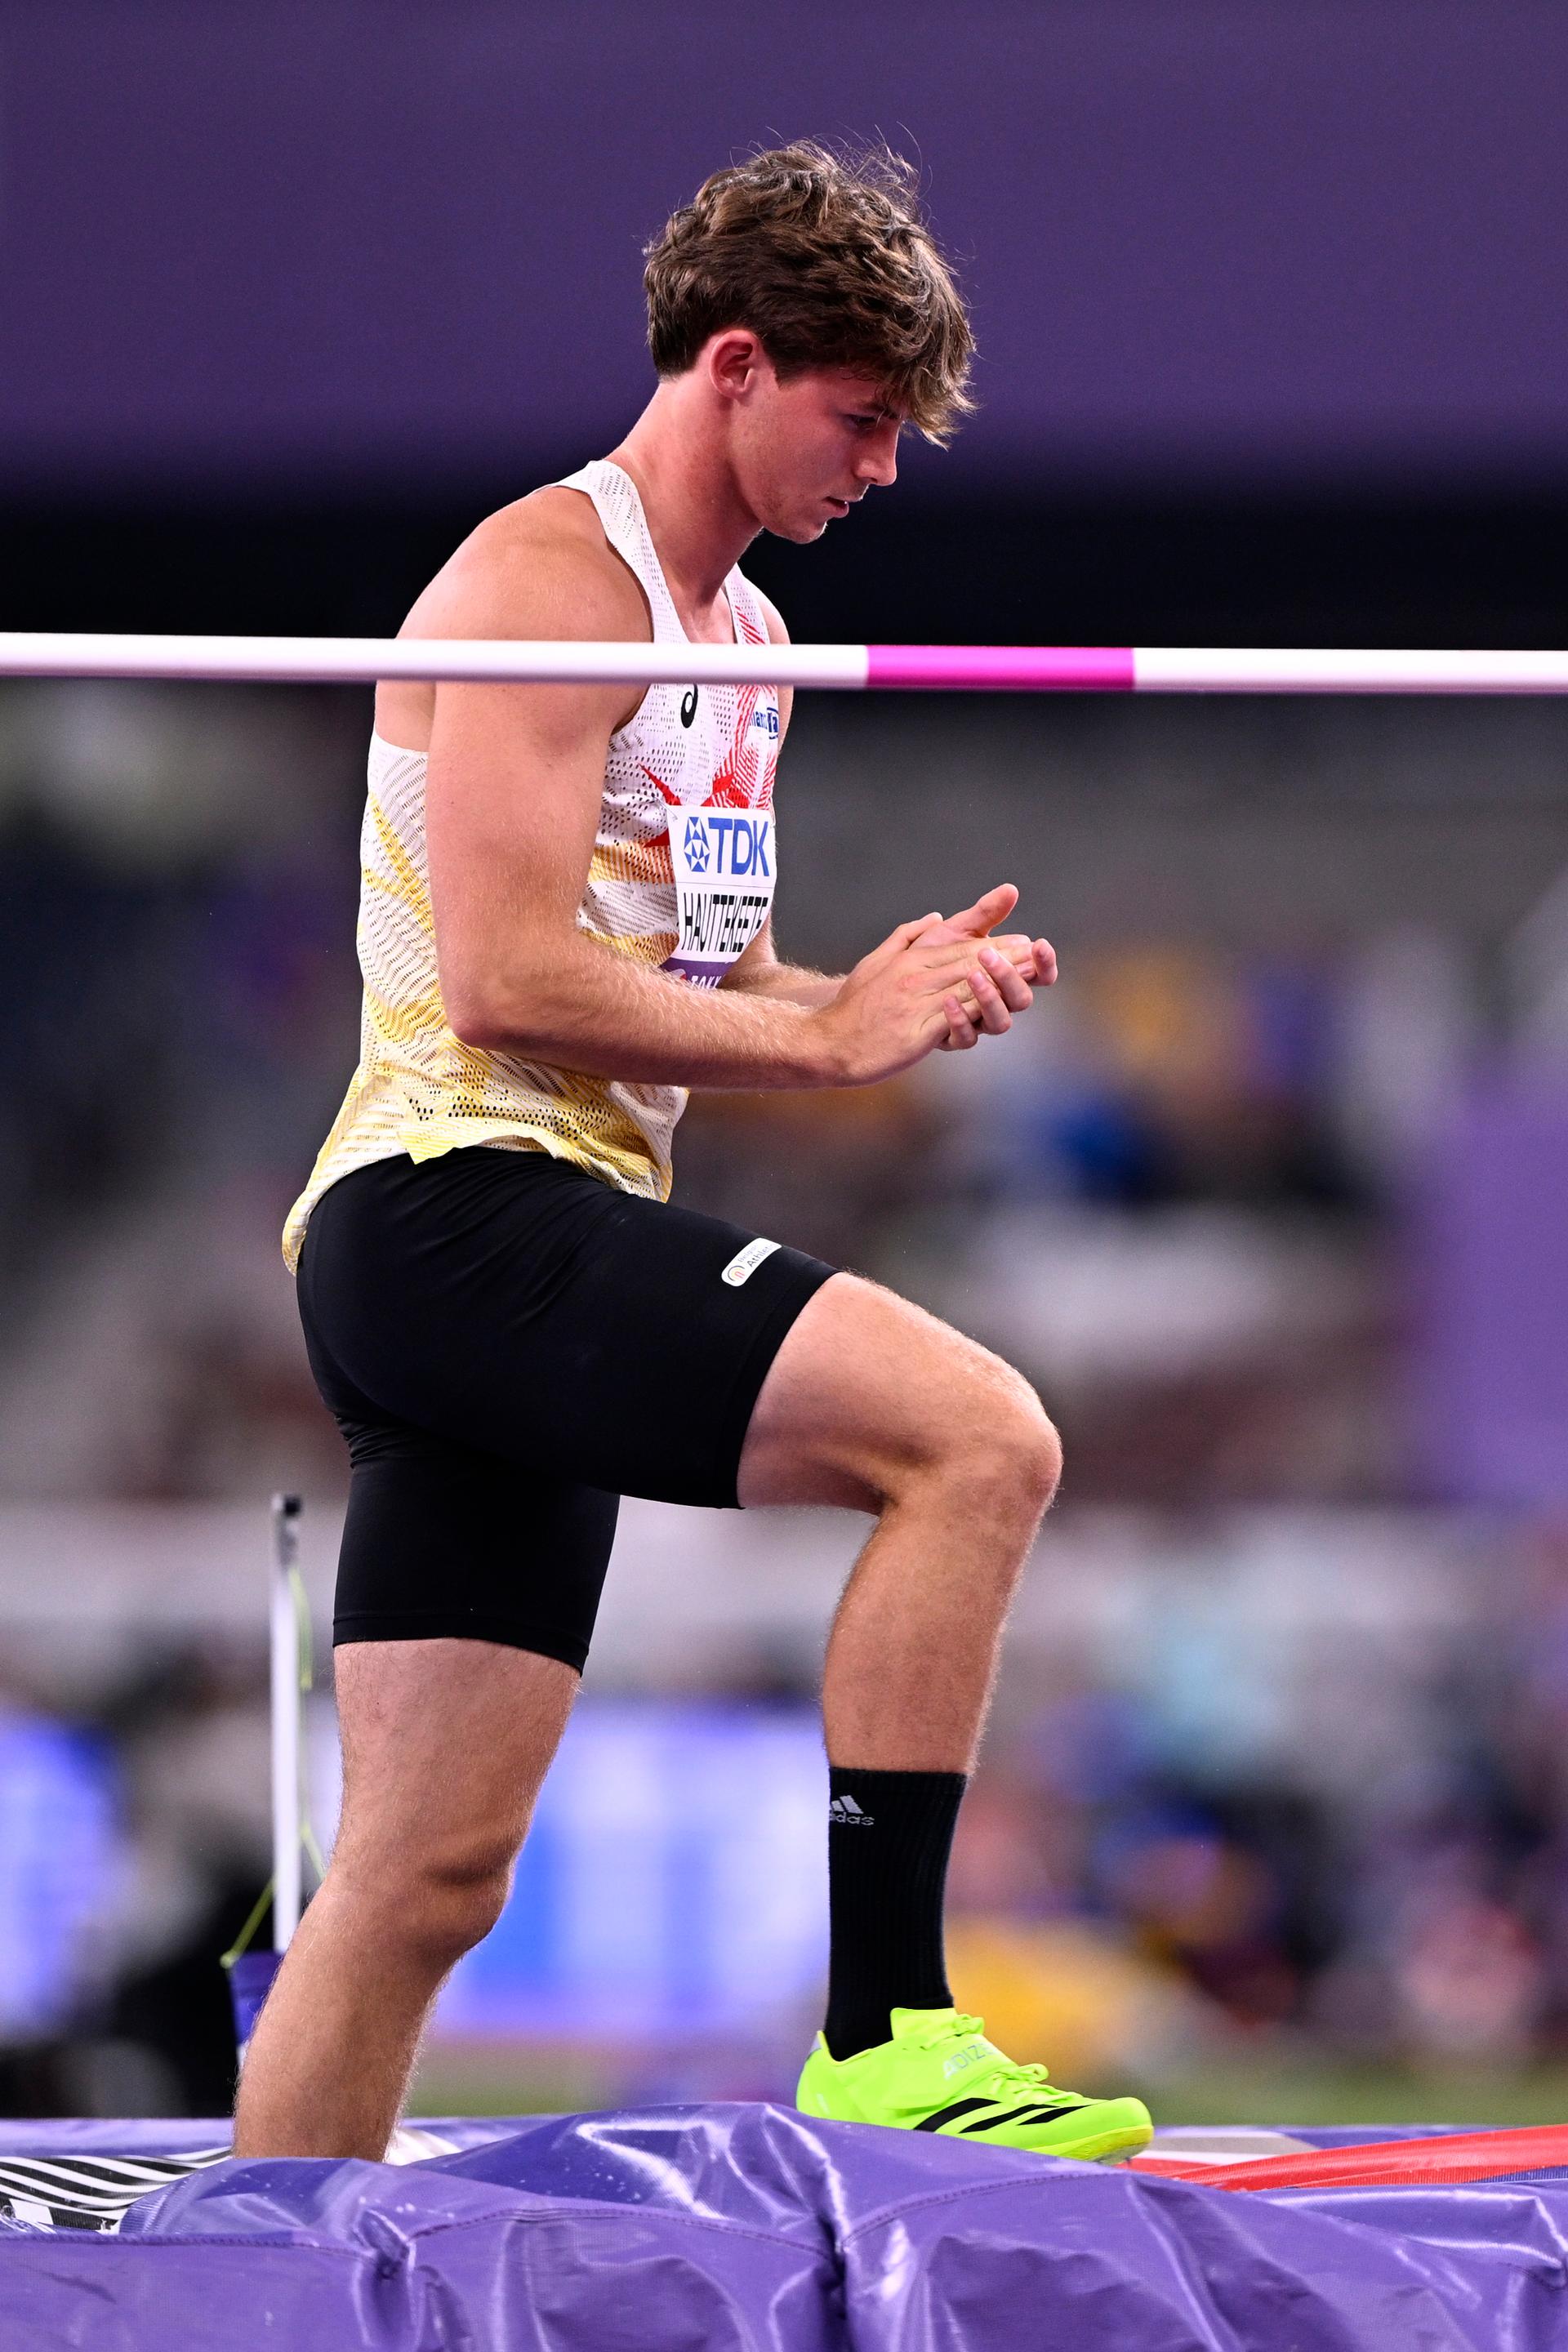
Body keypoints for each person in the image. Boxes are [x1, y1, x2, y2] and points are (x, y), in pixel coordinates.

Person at [235, 142, 1152, 2165]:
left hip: (515, 1235)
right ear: (736, 363)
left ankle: (254, 2278)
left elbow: (693, 965)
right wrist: (822, 1045)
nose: (887, 471)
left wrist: (875, 999)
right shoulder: (545, 585)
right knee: (979, 1442)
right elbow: (499, 976)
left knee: (416, 1890)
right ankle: (893, 2027)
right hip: (449, 1205)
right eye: (863, 417)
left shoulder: (741, 643)